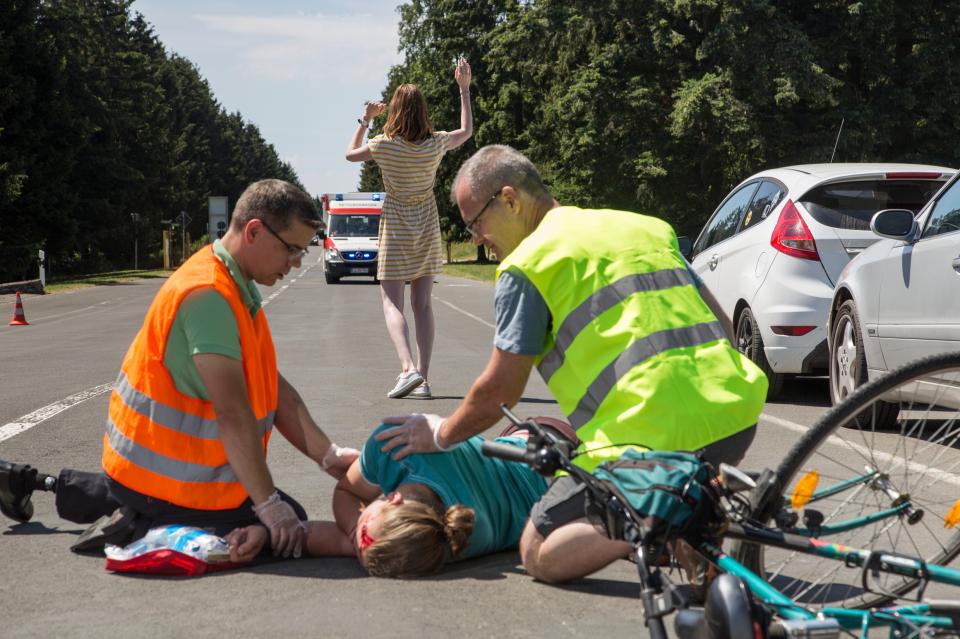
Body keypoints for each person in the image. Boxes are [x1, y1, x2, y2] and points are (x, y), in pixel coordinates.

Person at [373, 145, 768, 583]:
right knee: (628, 529)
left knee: (540, 550)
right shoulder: (644, 227)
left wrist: (440, 434)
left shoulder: (528, 267)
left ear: (510, 200)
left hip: (649, 441)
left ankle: (673, 505)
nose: (476, 237)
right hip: (734, 416)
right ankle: (694, 523)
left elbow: (499, 393)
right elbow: (724, 328)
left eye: (476, 222)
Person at [0, 179, 357, 559]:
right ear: (254, 231)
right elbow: (233, 414)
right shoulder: (209, 296)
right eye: (292, 249)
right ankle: (138, 526)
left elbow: (273, 388)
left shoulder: (233, 280)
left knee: (270, 518)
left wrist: (328, 456)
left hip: (150, 470)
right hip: (166, 480)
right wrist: (268, 506)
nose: (297, 261)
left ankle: (33, 483)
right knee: (284, 528)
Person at [225, 419, 565, 578]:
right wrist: (351, 531)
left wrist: (269, 535)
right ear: (394, 499)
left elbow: (346, 494)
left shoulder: (435, 541)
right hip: (548, 448)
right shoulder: (406, 450)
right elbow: (348, 500)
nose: (356, 527)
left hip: (553, 475)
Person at [345, 57, 474, 400]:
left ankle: (407, 369)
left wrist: (365, 119)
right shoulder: (435, 143)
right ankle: (425, 380)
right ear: (422, 111)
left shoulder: (384, 145)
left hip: (397, 223)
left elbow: (350, 154)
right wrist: (464, 90)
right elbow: (467, 131)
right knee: (423, 305)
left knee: (391, 301)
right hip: (427, 222)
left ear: (395, 111)